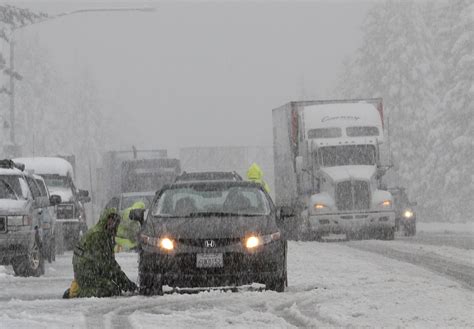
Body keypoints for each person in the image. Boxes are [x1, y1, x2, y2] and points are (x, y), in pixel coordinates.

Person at [63, 208, 137, 298]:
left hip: (91, 269)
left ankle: (81, 289)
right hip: (86, 272)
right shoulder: (98, 236)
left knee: (114, 286)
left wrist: (126, 283)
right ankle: (78, 293)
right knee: (111, 289)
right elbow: (107, 265)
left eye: (115, 221)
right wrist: (126, 285)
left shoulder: (106, 235)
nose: (113, 223)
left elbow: (110, 263)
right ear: (105, 219)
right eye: (111, 219)